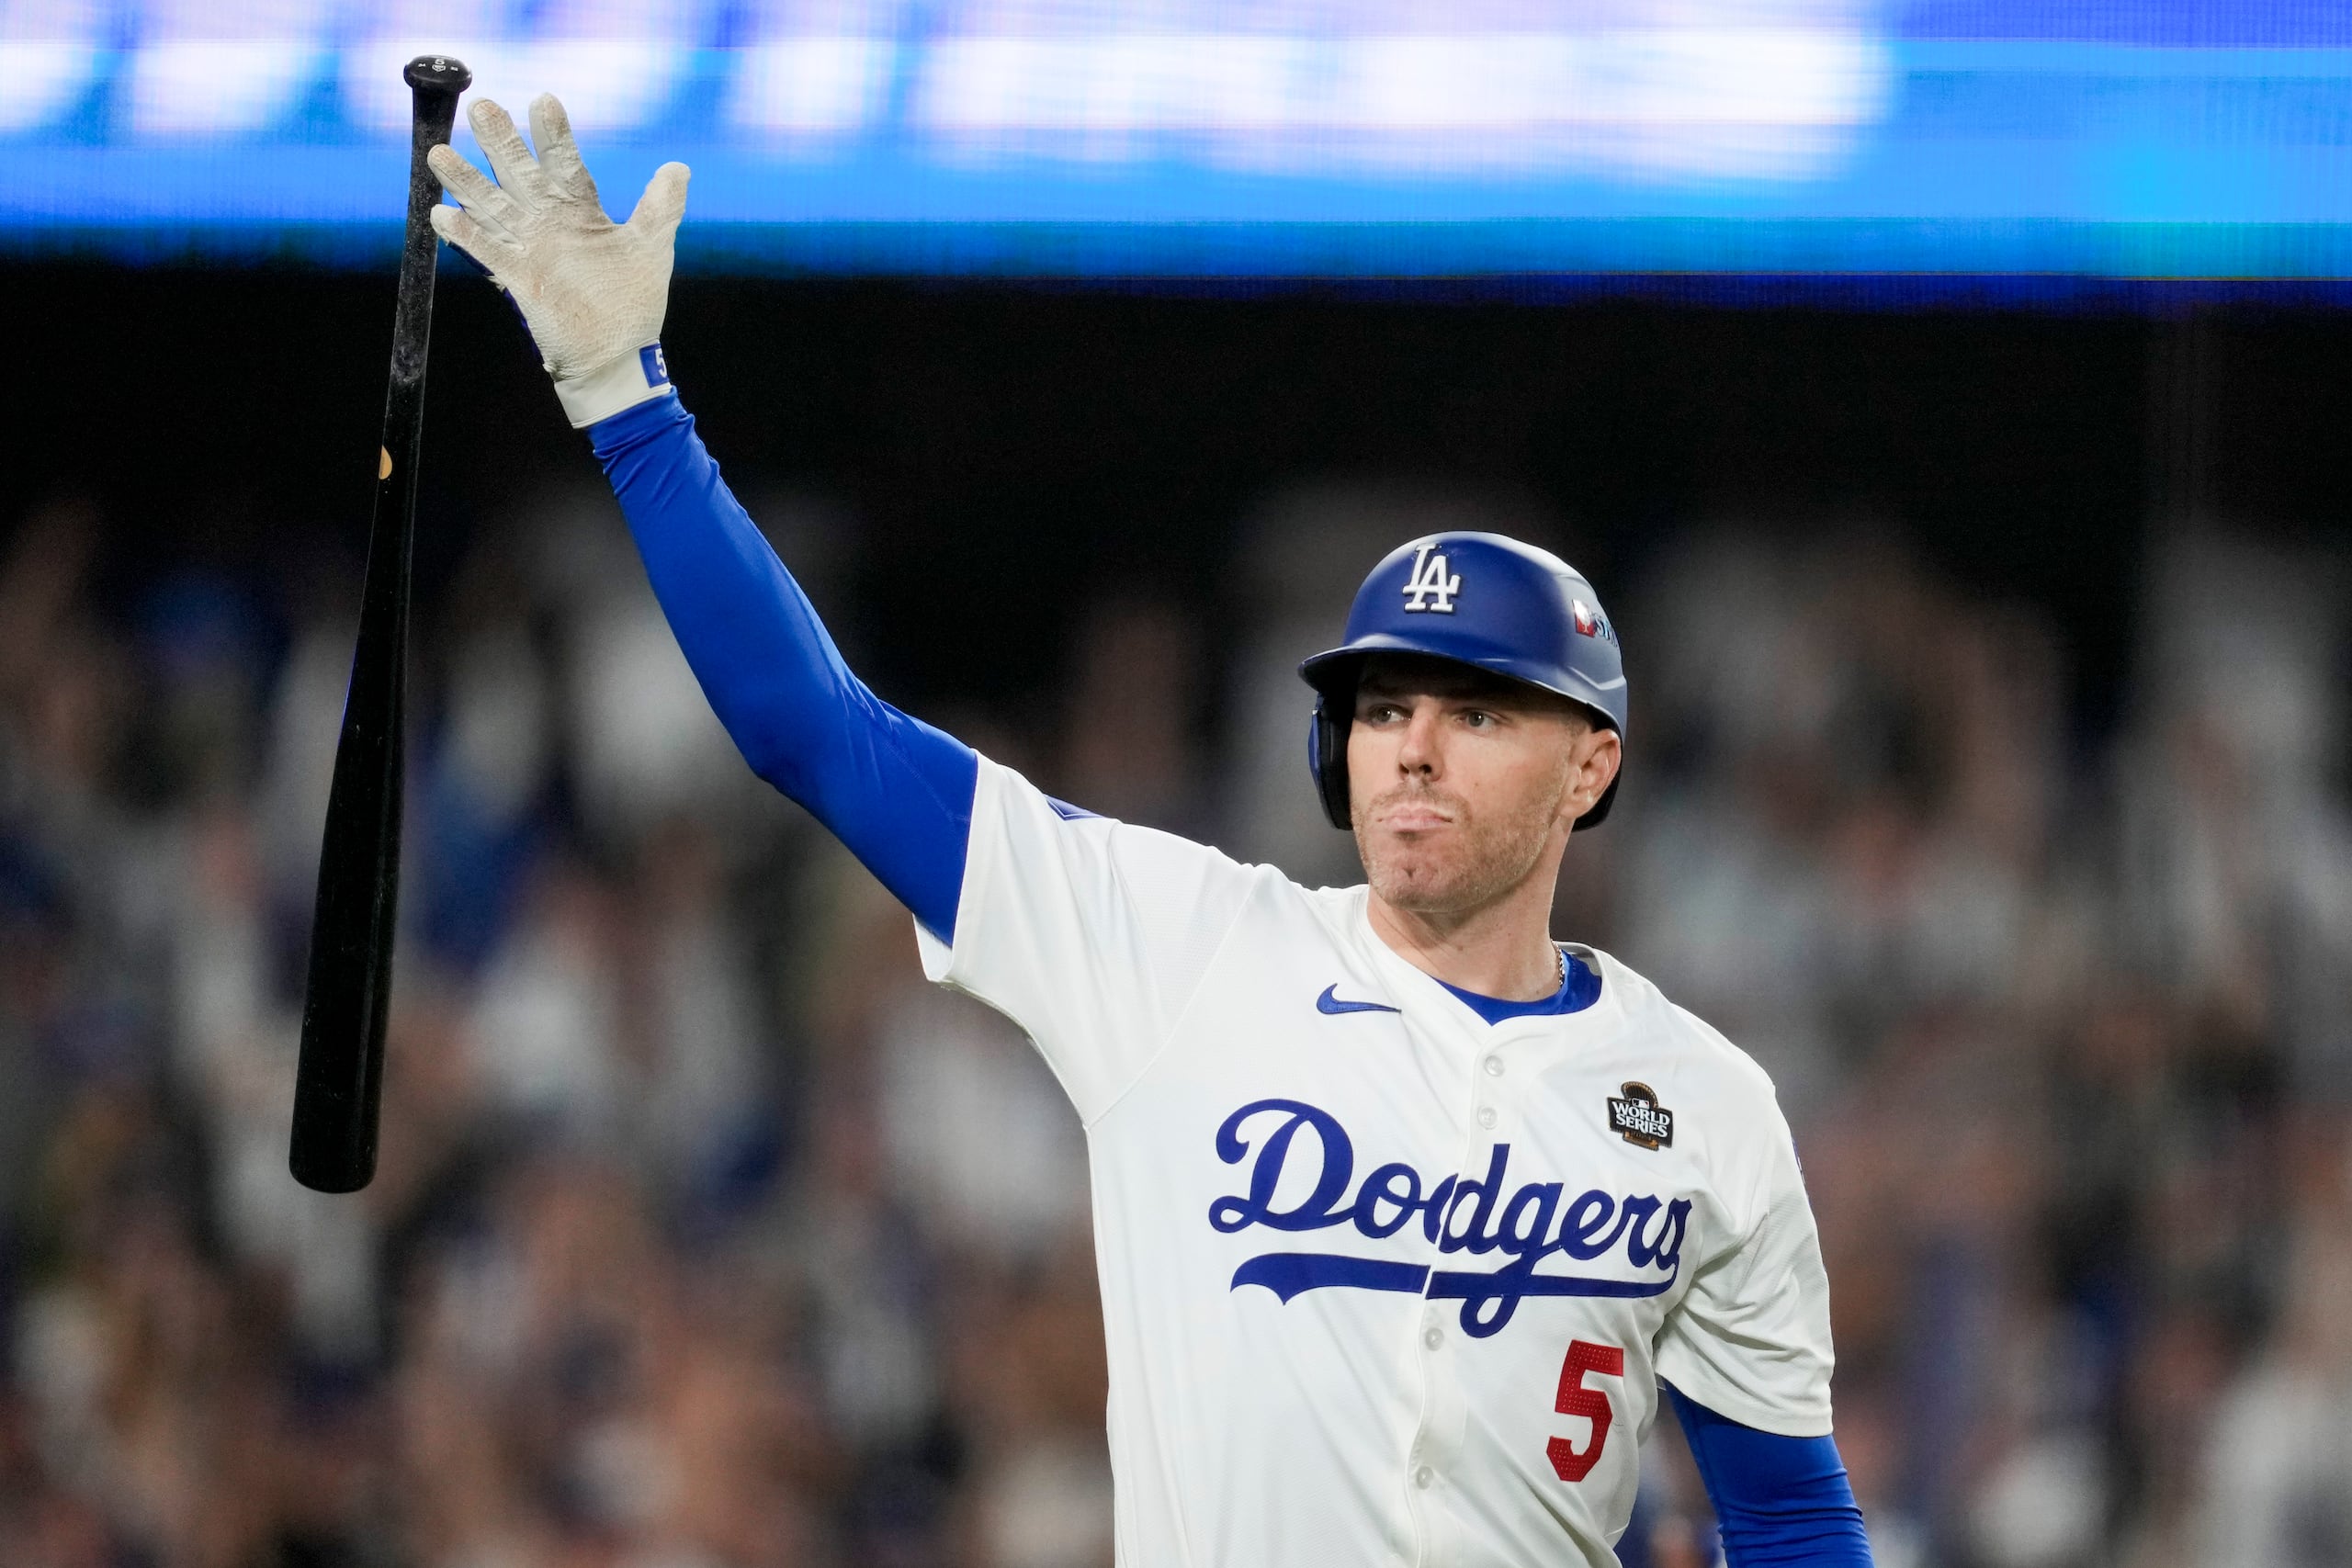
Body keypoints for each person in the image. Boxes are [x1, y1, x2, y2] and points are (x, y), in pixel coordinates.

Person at [425, 94, 1874, 1567]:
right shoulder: (1184, 948)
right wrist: (626, 395)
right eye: (1382, 711)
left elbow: (1789, 1516)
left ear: (1591, 769)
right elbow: (815, 730)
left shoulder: (1701, 1107)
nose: (1416, 750)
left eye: (1479, 714)